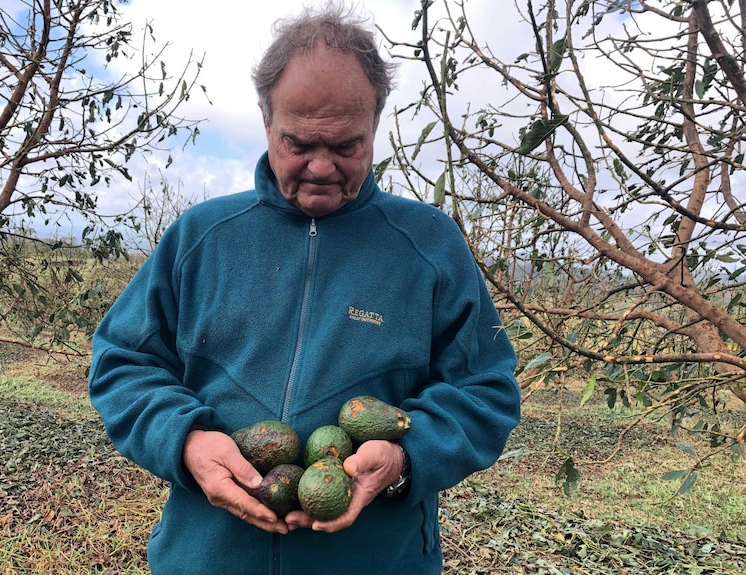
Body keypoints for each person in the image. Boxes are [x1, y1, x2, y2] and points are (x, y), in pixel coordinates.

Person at [89, 4, 521, 574]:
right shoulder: (202, 237)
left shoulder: (428, 246)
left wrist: (405, 457)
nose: (321, 167)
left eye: (346, 146)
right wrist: (186, 440)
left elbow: (486, 390)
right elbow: (123, 363)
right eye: (299, 143)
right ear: (267, 122)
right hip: (207, 559)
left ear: (375, 126)